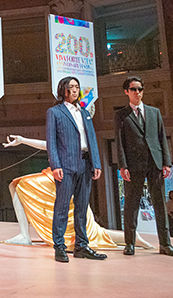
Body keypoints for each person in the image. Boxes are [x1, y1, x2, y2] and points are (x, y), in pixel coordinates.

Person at [2, 134, 154, 251]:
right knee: (17, 184)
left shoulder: (78, 135)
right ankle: (24, 234)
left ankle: (133, 237)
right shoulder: (68, 132)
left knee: (93, 232)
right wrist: (22, 140)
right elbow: (48, 145)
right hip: (57, 178)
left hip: (63, 180)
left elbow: (53, 147)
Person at [115, 76, 173, 257]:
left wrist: (166, 162)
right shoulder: (121, 115)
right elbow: (120, 143)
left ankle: (166, 244)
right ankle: (130, 243)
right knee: (131, 204)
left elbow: (162, 137)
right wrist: (122, 165)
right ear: (127, 91)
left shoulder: (154, 112)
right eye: (134, 89)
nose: (138, 92)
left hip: (155, 162)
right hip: (133, 165)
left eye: (140, 89)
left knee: (160, 204)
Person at [46, 76, 106, 263]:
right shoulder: (55, 112)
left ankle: (82, 246)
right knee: (62, 207)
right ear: (62, 89)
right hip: (65, 164)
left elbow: (92, 140)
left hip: (85, 163)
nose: (74, 90)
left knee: (82, 207)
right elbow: (51, 142)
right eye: (71, 87)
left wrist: (96, 163)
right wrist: (55, 165)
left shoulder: (85, 112)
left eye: (77, 87)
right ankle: (59, 247)